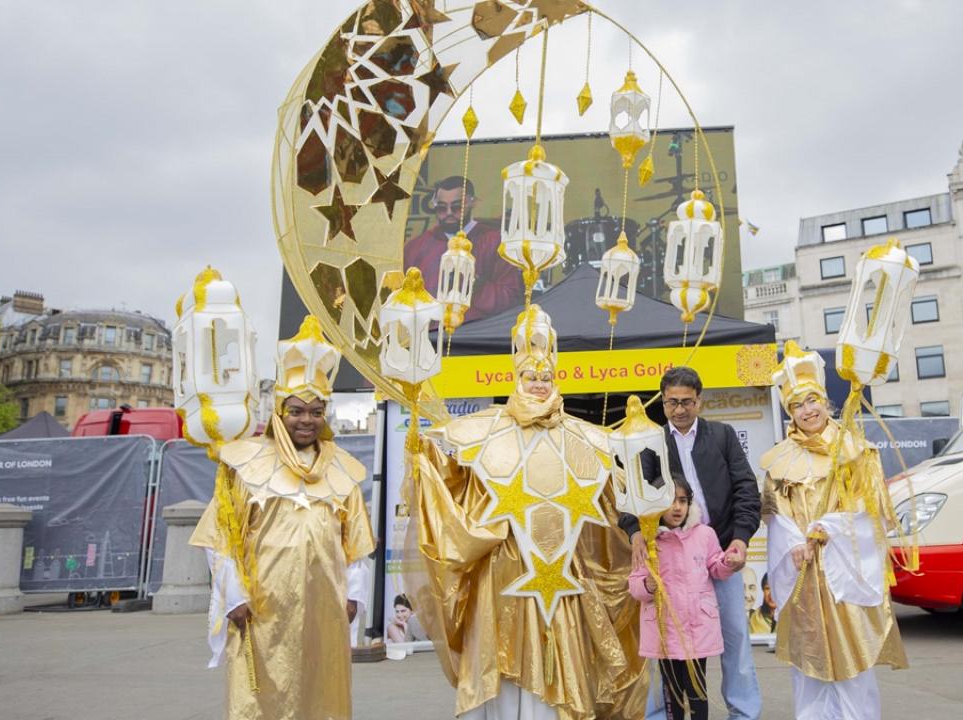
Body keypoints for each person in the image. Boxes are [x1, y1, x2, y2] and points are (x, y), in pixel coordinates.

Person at [406, 305, 646, 719]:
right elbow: (445, 470)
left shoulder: (583, 436)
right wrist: (420, 448)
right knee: (501, 655)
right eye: (530, 376)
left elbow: (614, 497)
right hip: (503, 570)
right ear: (516, 377)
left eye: (545, 377)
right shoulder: (485, 430)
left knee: (560, 658)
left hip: (562, 573)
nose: (538, 384)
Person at [190, 316, 375, 720]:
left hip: (325, 608)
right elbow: (221, 539)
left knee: (321, 694)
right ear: (279, 411)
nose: (306, 420)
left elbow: (355, 546)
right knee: (263, 698)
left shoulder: (342, 470)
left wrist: (353, 597)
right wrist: (234, 596)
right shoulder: (245, 464)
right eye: (296, 411)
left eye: (315, 411)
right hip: (262, 608)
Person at [760, 342, 906, 720]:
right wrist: (795, 543)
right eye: (797, 404)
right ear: (789, 411)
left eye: (812, 400)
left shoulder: (856, 451)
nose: (807, 410)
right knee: (809, 654)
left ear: (826, 402)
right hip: (804, 574)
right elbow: (776, 514)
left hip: (846, 571)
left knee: (851, 652)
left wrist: (831, 527)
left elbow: (873, 511)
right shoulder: (780, 461)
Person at [619, 366, 763, 720]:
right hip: (667, 559)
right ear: (663, 402)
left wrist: (741, 539)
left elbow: (746, 488)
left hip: (720, 552)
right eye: (672, 402)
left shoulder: (722, 436)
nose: (680, 409)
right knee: (662, 646)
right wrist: (634, 532)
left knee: (735, 639)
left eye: (687, 401)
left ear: (699, 401)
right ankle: (659, 715)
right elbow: (631, 495)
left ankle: (743, 713)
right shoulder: (650, 443)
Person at [629, 474, 733, 719]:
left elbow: (716, 566)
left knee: (697, 690)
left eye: (683, 501)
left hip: (697, 628)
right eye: (670, 501)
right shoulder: (647, 540)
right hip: (664, 631)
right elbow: (634, 585)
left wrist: (728, 562)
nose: (677, 507)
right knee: (672, 690)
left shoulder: (705, 534)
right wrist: (647, 585)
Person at [402, 175, 523, 321]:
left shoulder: (495, 242)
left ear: (472, 203)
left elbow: (510, 299)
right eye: (441, 208)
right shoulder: (416, 247)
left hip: (477, 331)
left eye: (456, 207)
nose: (448, 213)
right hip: (429, 331)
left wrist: (474, 284)